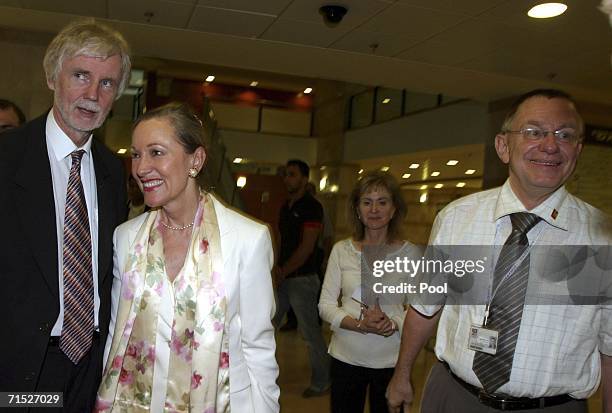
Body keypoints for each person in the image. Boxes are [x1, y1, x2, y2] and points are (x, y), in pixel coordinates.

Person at [386, 89, 612, 413]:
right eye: (534, 132)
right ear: (503, 146)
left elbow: (610, 346)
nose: (550, 145)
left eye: (565, 134)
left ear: (577, 149)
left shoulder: (602, 239)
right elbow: (424, 307)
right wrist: (402, 374)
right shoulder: (456, 219)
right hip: (453, 397)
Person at [96, 102, 280, 412]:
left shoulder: (247, 239)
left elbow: (257, 346)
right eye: (136, 154)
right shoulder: (126, 237)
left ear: (195, 159)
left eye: (156, 152)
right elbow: (117, 334)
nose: (140, 169)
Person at [0, 19, 130, 412]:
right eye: (80, 75)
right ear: (52, 77)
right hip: (23, 366)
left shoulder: (113, 172)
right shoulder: (7, 159)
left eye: (107, 83)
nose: (92, 94)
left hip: (90, 367)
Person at [319, 171, 417, 413]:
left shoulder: (410, 254)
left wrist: (392, 323)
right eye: (367, 202)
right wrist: (359, 324)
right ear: (357, 210)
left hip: (391, 362)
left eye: (382, 202)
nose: (374, 209)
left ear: (394, 210)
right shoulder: (342, 250)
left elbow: (418, 310)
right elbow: (326, 305)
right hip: (346, 359)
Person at [273, 159, 331, 397]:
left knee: (310, 333)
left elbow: (307, 247)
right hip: (285, 277)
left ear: (305, 179)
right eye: (286, 174)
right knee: (267, 325)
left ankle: (323, 380)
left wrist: (283, 271)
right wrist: (276, 268)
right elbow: (280, 239)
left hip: (303, 280)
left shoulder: (312, 207)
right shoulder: (285, 206)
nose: (288, 178)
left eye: (293, 175)